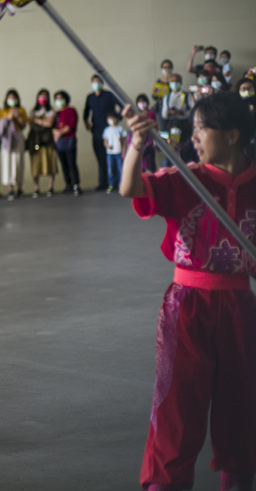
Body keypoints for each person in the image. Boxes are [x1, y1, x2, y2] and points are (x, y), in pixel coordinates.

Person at [119, 93, 256, 491]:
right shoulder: (186, 177)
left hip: (240, 308)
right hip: (187, 308)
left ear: (232, 135)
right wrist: (136, 144)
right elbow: (130, 188)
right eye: (193, 127)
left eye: (202, 128)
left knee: (241, 406)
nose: (194, 136)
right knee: (177, 407)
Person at [83, 74, 122, 191]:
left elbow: (122, 106)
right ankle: (103, 182)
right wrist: (86, 122)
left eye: (99, 82)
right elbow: (86, 112)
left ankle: (115, 182)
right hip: (96, 131)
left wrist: (118, 119)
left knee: (113, 156)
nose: (96, 84)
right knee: (100, 158)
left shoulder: (109, 95)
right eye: (94, 82)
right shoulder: (90, 97)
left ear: (103, 83)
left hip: (111, 131)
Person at [0, 89, 27, 201]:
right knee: (8, 162)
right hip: (7, 140)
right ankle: (10, 189)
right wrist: (8, 118)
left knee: (18, 161)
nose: (12, 99)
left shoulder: (21, 110)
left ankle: (19, 187)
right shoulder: (2, 111)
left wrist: (18, 116)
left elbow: (24, 124)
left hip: (18, 137)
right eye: (10, 97)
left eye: (14, 97)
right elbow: (0, 127)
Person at [27, 89, 57, 197]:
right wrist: (42, 123)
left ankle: (50, 187)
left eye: (45, 97)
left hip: (48, 141)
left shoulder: (51, 111)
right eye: (41, 96)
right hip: (36, 141)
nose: (43, 99)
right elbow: (31, 124)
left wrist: (38, 121)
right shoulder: (33, 111)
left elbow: (50, 124)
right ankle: (36, 188)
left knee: (50, 164)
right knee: (36, 165)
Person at [161, 74, 195, 165]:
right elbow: (164, 114)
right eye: (172, 81)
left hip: (184, 125)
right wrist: (170, 112)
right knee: (173, 148)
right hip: (172, 124)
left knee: (185, 151)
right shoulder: (167, 97)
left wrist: (182, 113)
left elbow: (193, 110)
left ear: (181, 82)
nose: (174, 83)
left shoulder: (186, 95)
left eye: (177, 81)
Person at [53, 91, 80, 196]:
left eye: (61, 98)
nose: (59, 100)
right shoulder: (56, 113)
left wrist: (60, 132)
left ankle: (76, 184)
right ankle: (68, 185)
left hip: (69, 140)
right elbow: (53, 126)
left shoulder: (71, 110)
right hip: (59, 142)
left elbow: (71, 125)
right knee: (64, 165)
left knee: (71, 164)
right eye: (57, 98)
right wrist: (56, 132)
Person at [101, 112, 126, 192]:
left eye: (113, 118)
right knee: (110, 169)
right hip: (110, 153)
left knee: (120, 169)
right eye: (110, 119)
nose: (112, 120)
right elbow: (105, 141)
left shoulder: (120, 129)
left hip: (118, 152)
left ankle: (121, 184)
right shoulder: (107, 130)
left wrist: (124, 151)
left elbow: (124, 141)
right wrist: (107, 146)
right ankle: (111, 184)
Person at [134, 94, 158, 173]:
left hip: (149, 141)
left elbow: (154, 127)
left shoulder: (151, 113)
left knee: (149, 164)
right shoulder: (137, 115)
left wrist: (153, 141)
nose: (142, 104)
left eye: (143, 102)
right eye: (140, 102)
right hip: (141, 141)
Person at [153, 59, 175, 132]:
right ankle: (164, 143)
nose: (166, 69)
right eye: (164, 67)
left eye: (168, 67)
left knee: (173, 129)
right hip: (160, 107)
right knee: (163, 129)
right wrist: (154, 93)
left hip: (173, 108)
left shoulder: (174, 80)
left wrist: (170, 80)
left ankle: (173, 143)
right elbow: (155, 97)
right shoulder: (158, 81)